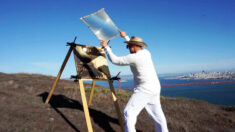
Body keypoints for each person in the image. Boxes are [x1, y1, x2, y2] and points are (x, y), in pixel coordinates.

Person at [100, 31, 168, 132]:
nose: (128, 48)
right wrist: (125, 37)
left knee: (129, 112)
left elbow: (115, 60)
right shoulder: (146, 53)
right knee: (158, 115)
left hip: (145, 89)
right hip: (155, 87)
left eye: (128, 46)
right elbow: (134, 47)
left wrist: (106, 48)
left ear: (134, 46)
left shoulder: (134, 57)